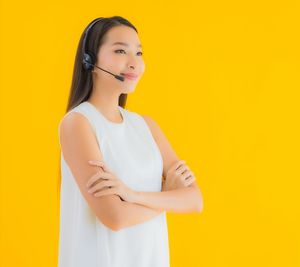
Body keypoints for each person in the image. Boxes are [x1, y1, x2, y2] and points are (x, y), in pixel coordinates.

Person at [57, 16, 203, 267]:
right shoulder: (78, 123)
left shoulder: (146, 126)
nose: (134, 62)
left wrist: (131, 194)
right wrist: (167, 197)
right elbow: (115, 217)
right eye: (120, 51)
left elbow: (194, 200)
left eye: (139, 52)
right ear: (90, 60)